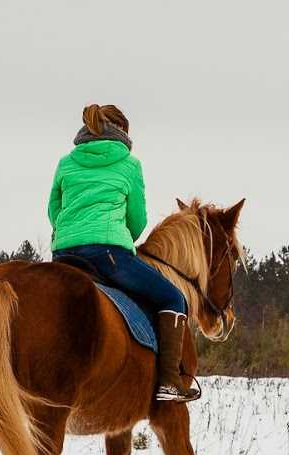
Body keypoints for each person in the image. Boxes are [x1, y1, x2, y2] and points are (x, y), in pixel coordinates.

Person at [49, 104, 198, 403]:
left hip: (64, 254)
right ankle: (169, 381)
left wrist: (69, 234)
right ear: (123, 132)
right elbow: (137, 219)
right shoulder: (130, 164)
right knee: (173, 298)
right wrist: (121, 238)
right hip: (109, 255)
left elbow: (54, 209)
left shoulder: (66, 163)